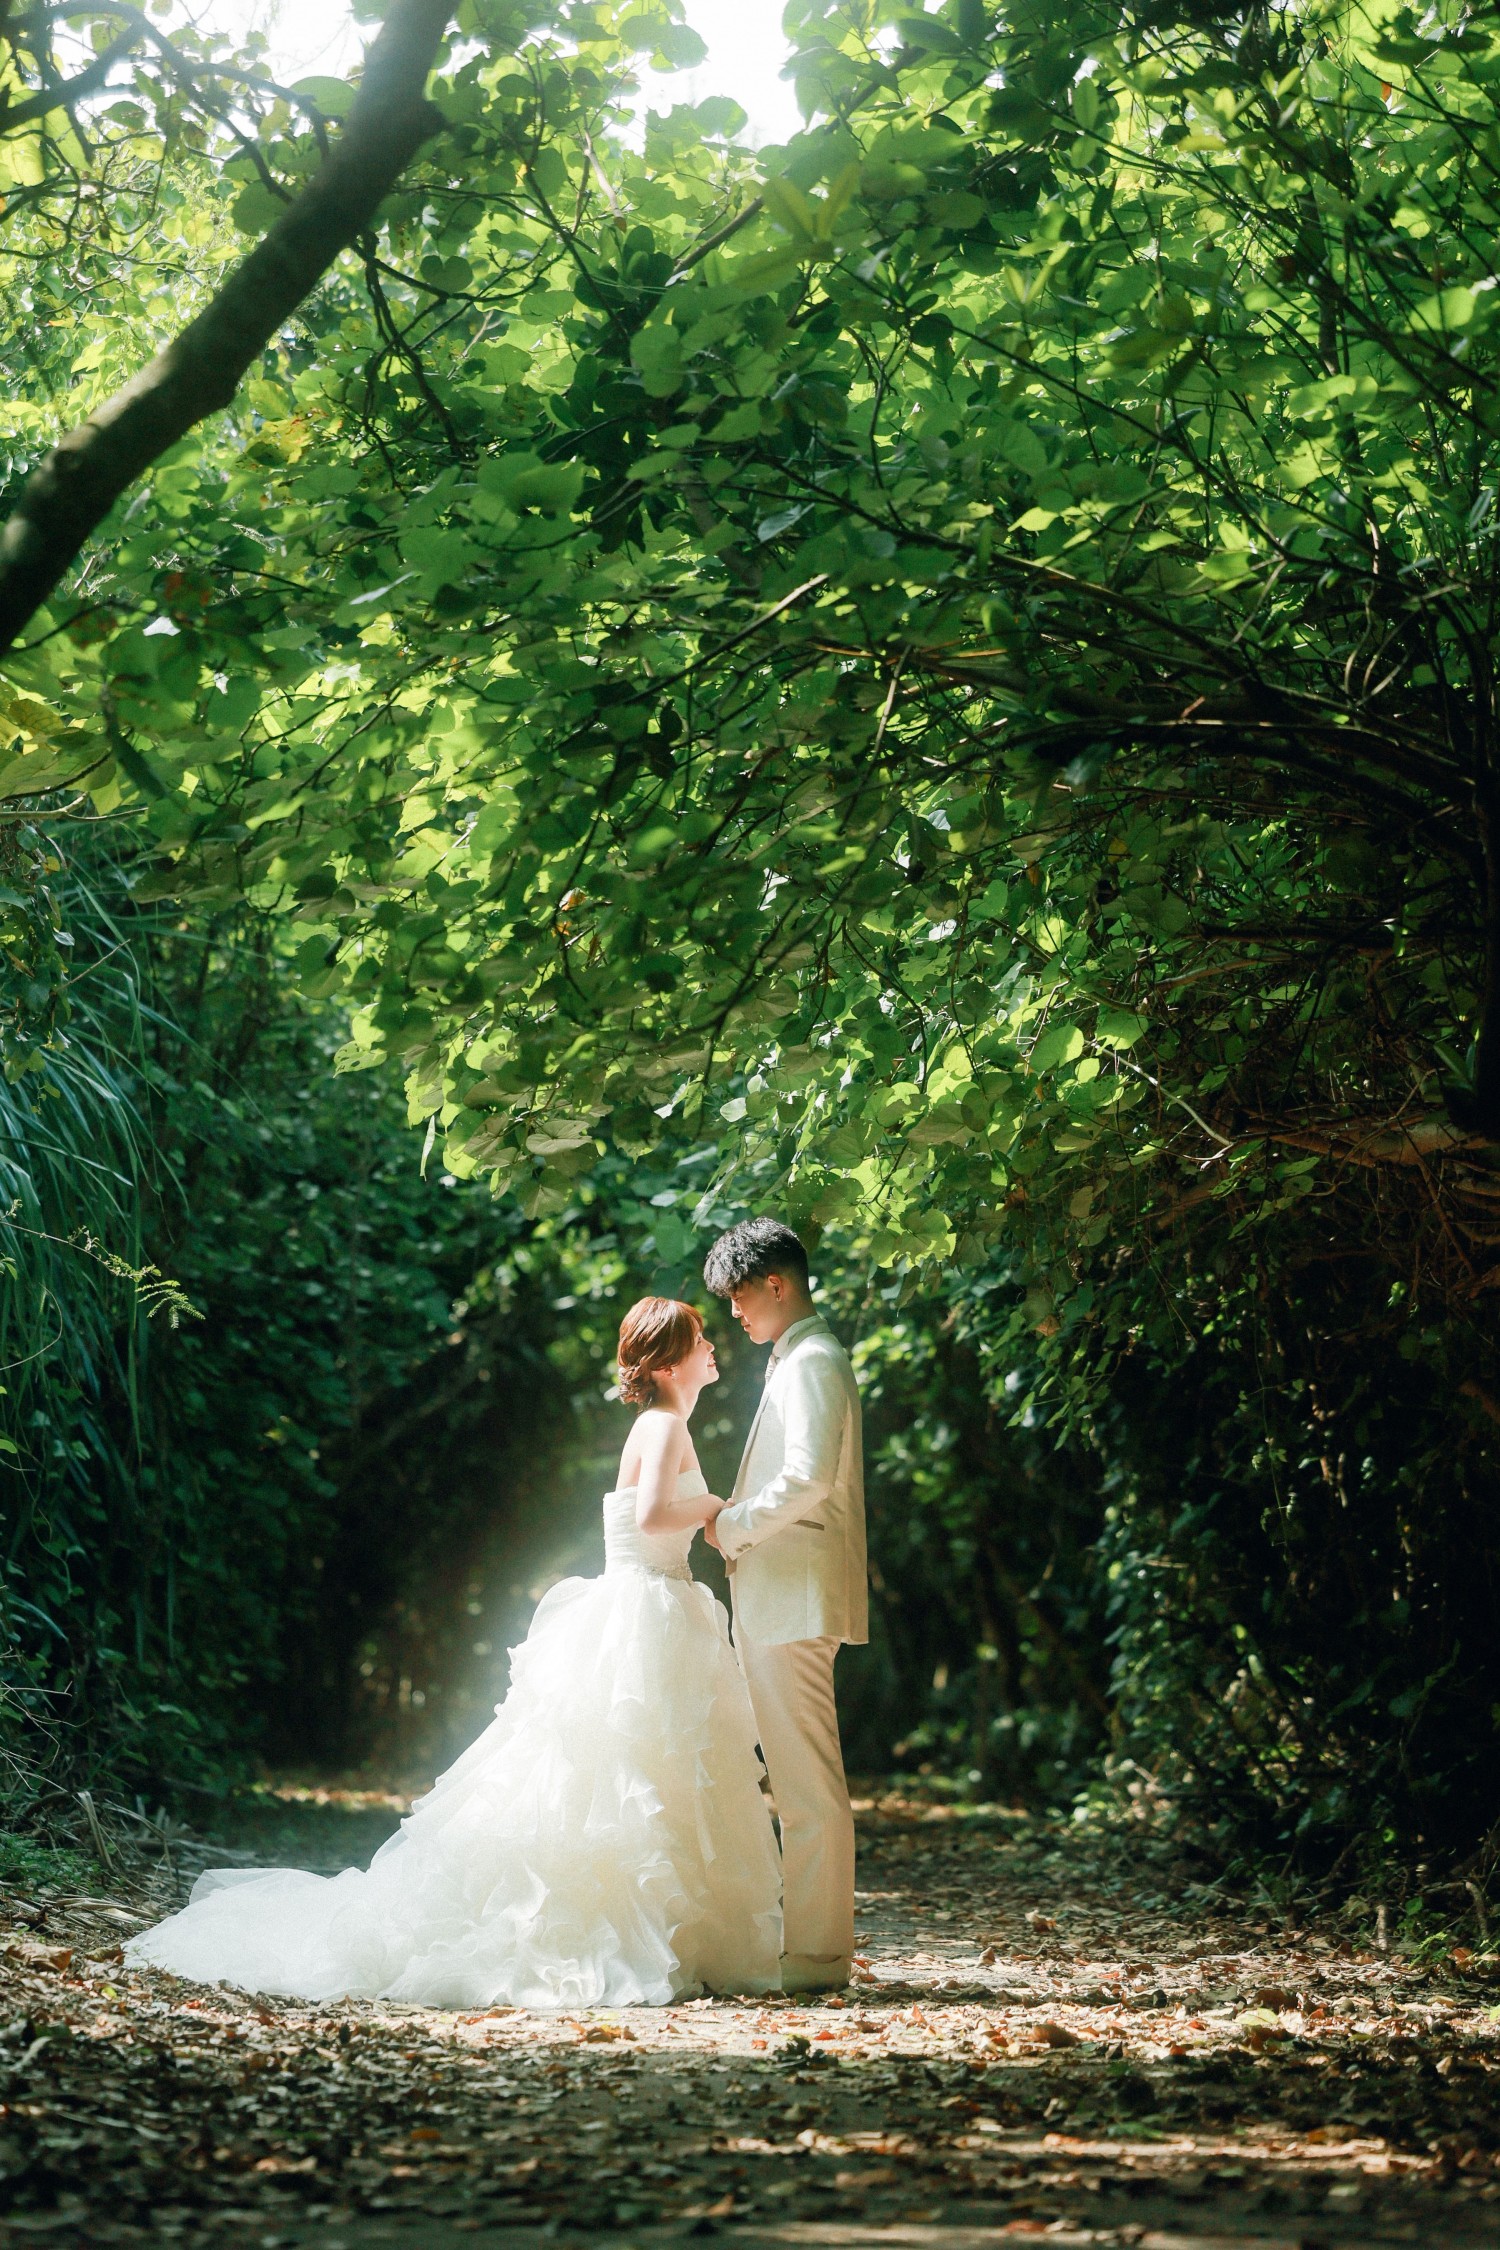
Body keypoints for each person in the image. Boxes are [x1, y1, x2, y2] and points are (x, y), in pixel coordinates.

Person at [124, 1299, 782, 2008]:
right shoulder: (662, 1425)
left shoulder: (661, 1425)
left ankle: (669, 1932)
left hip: (652, 1600)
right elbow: (653, 1516)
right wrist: (717, 1505)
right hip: (645, 1607)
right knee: (630, 1777)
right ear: (667, 1361)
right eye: (701, 1338)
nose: (714, 1346)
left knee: (645, 1779)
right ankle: (628, 1929)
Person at [702, 1217, 867, 1994]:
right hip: (783, 1595)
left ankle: (817, 1958)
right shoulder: (796, 1358)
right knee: (800, 1785)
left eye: (737, 1295)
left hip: (792, 1596)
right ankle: (810, 1951)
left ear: (776, 1283)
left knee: (806, 1789)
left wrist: (732, 1526)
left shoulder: (813, 1362)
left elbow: (808, 1477)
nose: (733, 1313)